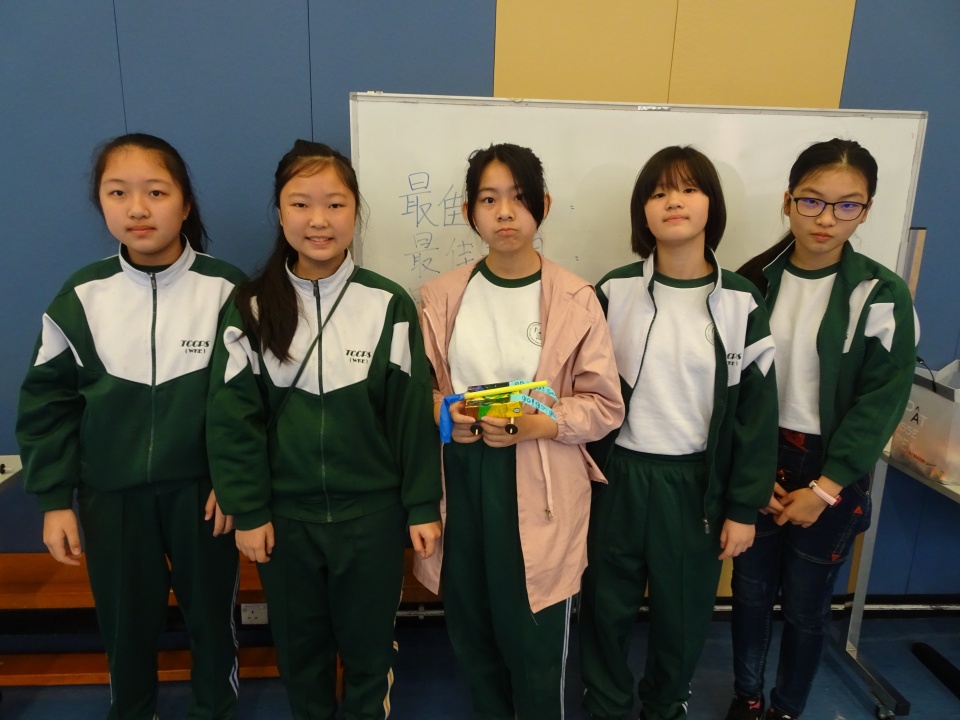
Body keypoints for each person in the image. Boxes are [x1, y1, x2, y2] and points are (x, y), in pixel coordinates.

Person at [205, 139, 442, 720]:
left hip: (372, 521)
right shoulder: (251, 306)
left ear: (355, 211)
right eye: (301, 204)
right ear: (279, 212)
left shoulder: (387, 304)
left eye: (335, 204)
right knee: (300, 654)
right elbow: (233, 419)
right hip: (285, 524)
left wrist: (421, 506)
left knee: (368, 653)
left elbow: (411, 417)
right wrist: (249, 510)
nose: (319, 220)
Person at [16, 133, 245, 720]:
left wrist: (234, 483)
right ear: (100, 202)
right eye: (118, 193)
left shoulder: (227, 290)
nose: (137, 209)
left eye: (156, 192)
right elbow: (47, 404)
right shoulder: (81, 296)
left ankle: (215, 710)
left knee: (213, 624)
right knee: (125, 628)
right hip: (111, 498)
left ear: (185, 204)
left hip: (203, 499)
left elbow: (248, 402)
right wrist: (54, 501)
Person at [412, 142, 623, 719]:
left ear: (543, 207)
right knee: (473, 630)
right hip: (463, 478)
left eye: (519, 198)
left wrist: (540, 424)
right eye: (489, 199)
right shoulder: (440, 296)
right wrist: (445, 413)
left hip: (540, 482)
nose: (505, 212)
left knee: (534, 641)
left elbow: (604, 405)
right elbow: (419, 392)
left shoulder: (575, 298)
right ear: (469, 212)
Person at [579, 145, 779, 720]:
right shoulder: (612, 291)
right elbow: (580, 389)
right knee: (605, 607)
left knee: (683, 615)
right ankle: (606, 704)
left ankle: (666, 705)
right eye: (659, 191)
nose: (674, 201)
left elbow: (756, 416)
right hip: (616, 477)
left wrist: (743, 508)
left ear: (711, 205)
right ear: (643, 211)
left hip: (695, 486)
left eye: (690, 189)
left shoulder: (741, 300)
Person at [723, 139, 918, 720]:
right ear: (788, 201)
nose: (826, 218)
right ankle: (747, 697)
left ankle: (787, 707)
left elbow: (880, 401)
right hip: (760, 456)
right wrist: (749, 470)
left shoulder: (879, 294)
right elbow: (728, 389)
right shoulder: (752, 282)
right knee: (749, 593)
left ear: (867, 210)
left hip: (831, 468)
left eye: (847, 205)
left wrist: (826, 488)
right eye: (811, 201)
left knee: (807, 607)